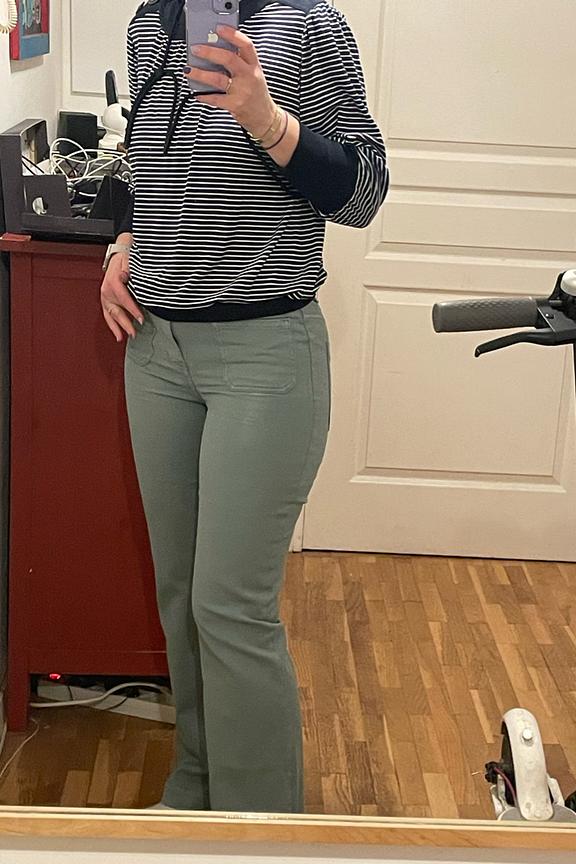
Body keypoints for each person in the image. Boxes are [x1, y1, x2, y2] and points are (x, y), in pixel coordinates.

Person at [99, 0, 389, 814]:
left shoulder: (310, 25)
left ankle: (261, 830)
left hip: (264, 355)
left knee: (231, 607)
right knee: (181, 597)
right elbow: (147, 162)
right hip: (157, 350)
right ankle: (196, 792)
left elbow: (364, 192)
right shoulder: (151, 22)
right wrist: (125, 243)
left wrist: (268, 119)